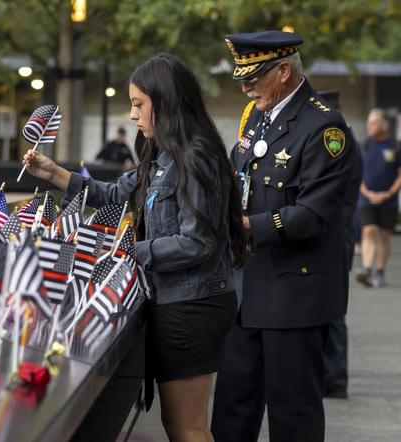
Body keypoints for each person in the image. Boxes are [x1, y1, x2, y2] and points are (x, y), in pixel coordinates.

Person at [23, 53, 248, 441]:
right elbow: (116, 194)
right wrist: (55, 173)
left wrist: (127, 250)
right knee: (178, 424)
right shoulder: (163, 153)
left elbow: (199, 243)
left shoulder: (196, 157)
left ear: (165, 101)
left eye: (138, 103)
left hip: (192, 305)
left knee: (188, 426)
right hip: (178, 300)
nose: (132, 114)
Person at [211, 31, 356, 442]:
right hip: (248, 289)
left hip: (295, 296)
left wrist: (246, 227)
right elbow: (241, 181)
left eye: (253, 77)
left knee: (293, 413)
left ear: (283, 71)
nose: (245, 87)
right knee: (232, 407)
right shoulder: (257, 116)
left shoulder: (324, 126)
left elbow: (315, 213)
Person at [318, 90, 363, 399]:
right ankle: (332, 376)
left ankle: (334, 378)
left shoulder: (336, 140)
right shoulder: (347, 140)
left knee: (332, 313)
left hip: (335, 237)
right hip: (340, 234)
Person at [355, 109, 401, 288]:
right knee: (368, 230)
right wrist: (366, 193)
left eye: (373, 123)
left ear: (384, 126)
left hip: (388, 200)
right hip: (366, 198)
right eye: (368, 123)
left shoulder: (395, 147)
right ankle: (367, 269)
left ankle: (379, 271)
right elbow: (357, 172)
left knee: (384, 235)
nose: (369, 127)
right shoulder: (365, 144)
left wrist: (389, 194)